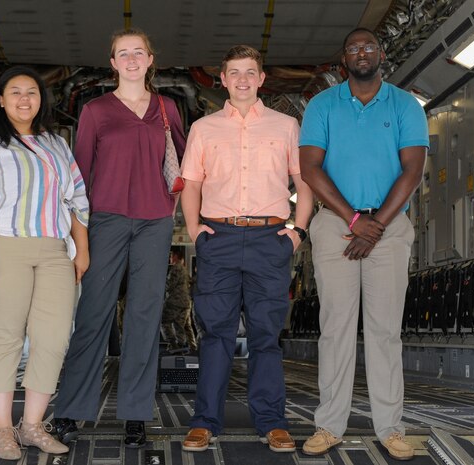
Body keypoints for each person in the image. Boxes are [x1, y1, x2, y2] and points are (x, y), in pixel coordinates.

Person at [299, 27, 428, 461]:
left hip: (388, 228)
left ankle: (391, 428)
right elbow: (310, 169)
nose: (362, 52)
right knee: (335, 328)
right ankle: (328, 426)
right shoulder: (322, 105)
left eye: (369, 45)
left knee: (384, 331)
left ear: (382, 54)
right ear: (344, 61)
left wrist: (375, 224)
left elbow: (412, 170)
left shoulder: (406, 105)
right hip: (336, 223)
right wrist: (354, 219)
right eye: (353, 47)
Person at [53, 28, 186, 448]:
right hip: (105, 220)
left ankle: (135, 415)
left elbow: (184, 170)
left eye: (138, 52)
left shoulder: (169, 109)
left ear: (150, 59)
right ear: (112, 63)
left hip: (155, 222)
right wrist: (79, 237)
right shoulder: (95, 111)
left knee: (144, 318)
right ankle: (71, 411)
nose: (130, 59)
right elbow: (78, 177)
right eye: (122, 53)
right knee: (94, 314)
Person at [180, 45, 313, 453]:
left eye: (249, 72)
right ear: (222, 80)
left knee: (265, 335)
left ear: (261, 79)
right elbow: (192, 185)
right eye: (233, 73)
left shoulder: (287, 126)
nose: (241, 80)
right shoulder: (203, 128)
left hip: (269, 240)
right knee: (215, 335)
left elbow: (304, 183)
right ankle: (205, 422)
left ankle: (272, 423)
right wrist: (195, 232)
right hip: (217, 239)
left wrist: (298, 232)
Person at [0, 66, 90, 460]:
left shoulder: (56, 144)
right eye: (15, 92)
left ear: (40, 100)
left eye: (32, 92)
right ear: (0, 99)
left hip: (52, 250)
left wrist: (82, 250)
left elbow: (77, 199)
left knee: (53, 337)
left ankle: (32, 426)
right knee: (5, 337)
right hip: (0, 245)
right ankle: (2, 430)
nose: (24, 99)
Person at [161, 248, 197, 354]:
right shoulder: (184, 269)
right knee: (181, 324)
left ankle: (173, 344)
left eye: (171, 256)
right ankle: (185, 346)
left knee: (164, 321)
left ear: (176, 257)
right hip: (186, 303)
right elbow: (190, 282)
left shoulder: (176, 268)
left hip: (175, 302)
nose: (170, 258)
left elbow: (169, 285)